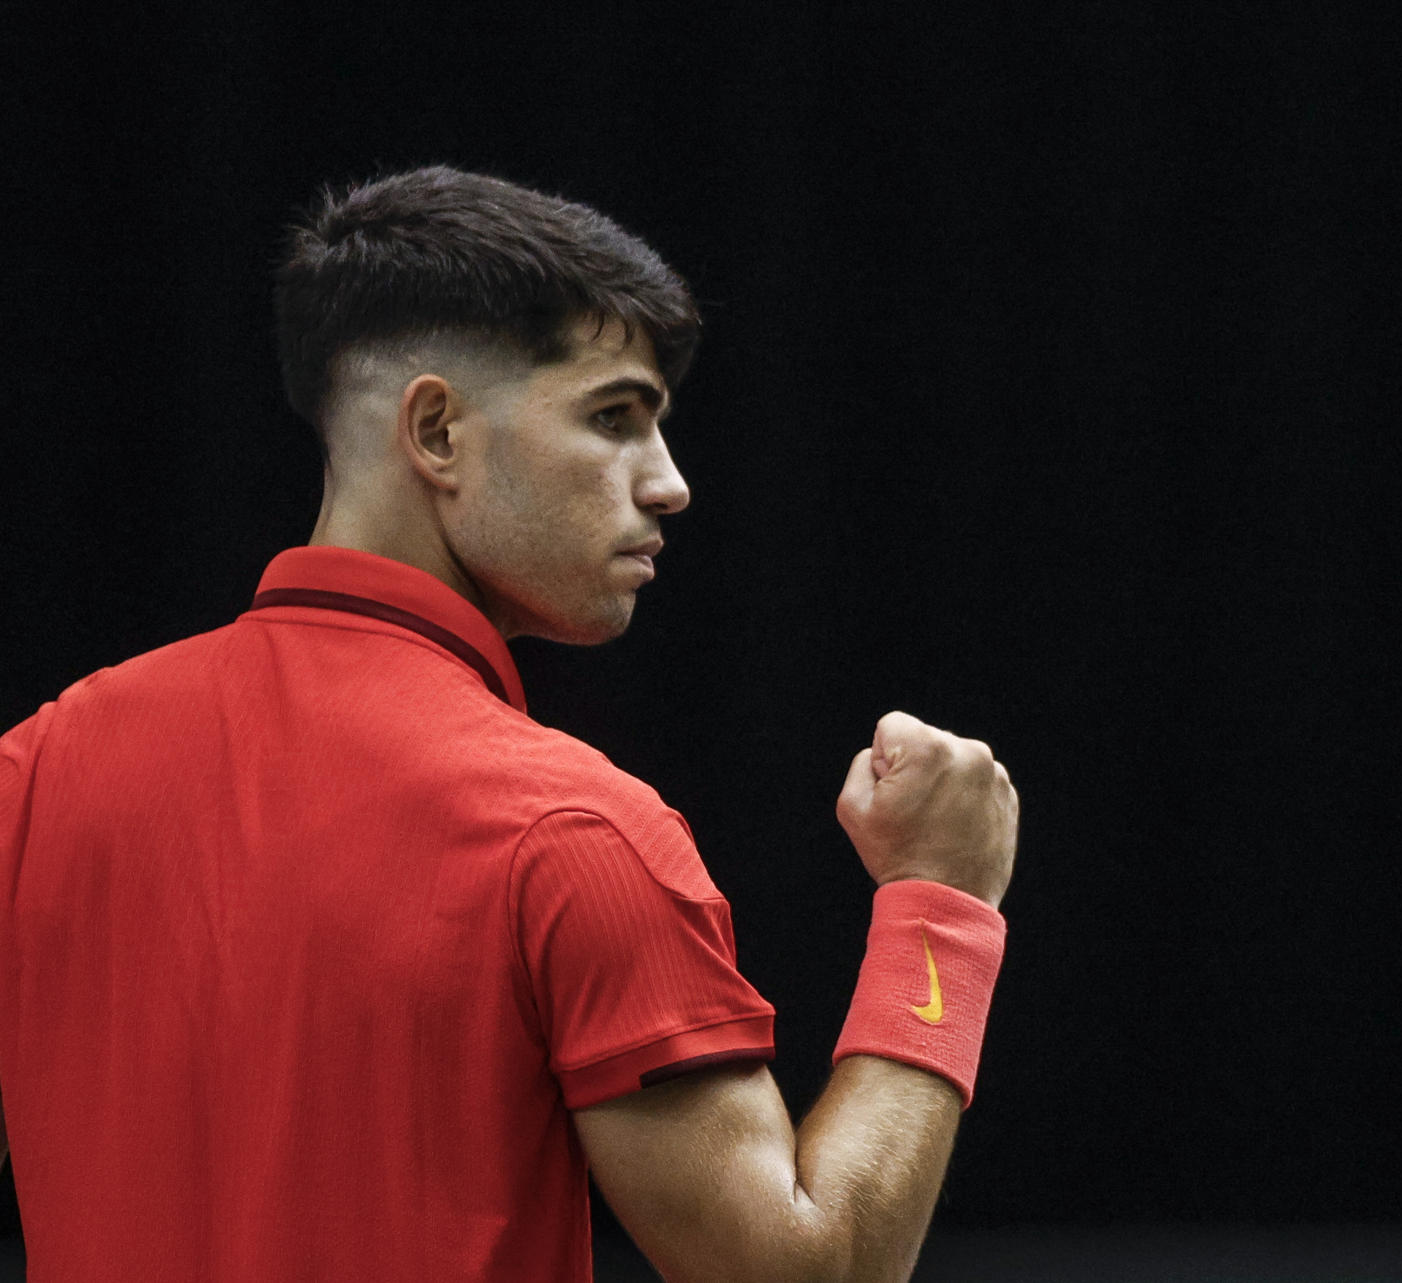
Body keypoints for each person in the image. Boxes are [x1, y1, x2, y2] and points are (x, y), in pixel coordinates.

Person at [0, 165, 1018, 1282]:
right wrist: (942, 905)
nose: (668, 482)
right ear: (437, 431)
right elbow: (809, 1272)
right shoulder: (574, 832)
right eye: (613, 417)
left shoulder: (37, 770)